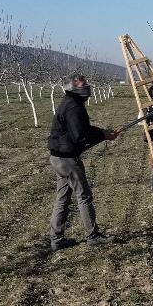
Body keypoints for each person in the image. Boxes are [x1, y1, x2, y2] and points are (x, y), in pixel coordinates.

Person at [46, 74, 120, 251]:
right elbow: (80, 136)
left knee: (63, 198)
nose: (87, 87)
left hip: (58, 157)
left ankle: (56, 238)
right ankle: (92, 235)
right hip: (67, 159)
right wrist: (103, 135)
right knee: (83, 195)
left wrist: (103, 132)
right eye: (83, 85)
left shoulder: (71, 102)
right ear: (73, 88)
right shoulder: (73, 106)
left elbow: (83, 129)